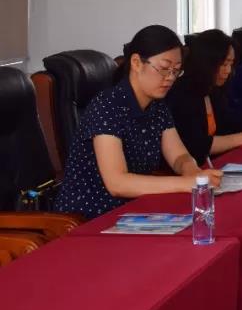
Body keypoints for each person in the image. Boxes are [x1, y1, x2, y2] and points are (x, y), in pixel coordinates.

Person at [54, 25, 222, 220]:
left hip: (134, 211)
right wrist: (186, 183)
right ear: (136, 62)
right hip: (90, 217)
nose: (170, 78)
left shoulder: (157, 106)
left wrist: (193, 172)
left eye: (176, 71)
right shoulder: (107, 107)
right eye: (164, 69)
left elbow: (179, 156)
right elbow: (117, 183)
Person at [165, 29, 242, 166]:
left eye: (231, 64)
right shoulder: (181, 94)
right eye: (224, 64)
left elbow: (233, 122)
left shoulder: (213, 89)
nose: (228, 70)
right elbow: (198, 145)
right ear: (206, 62)